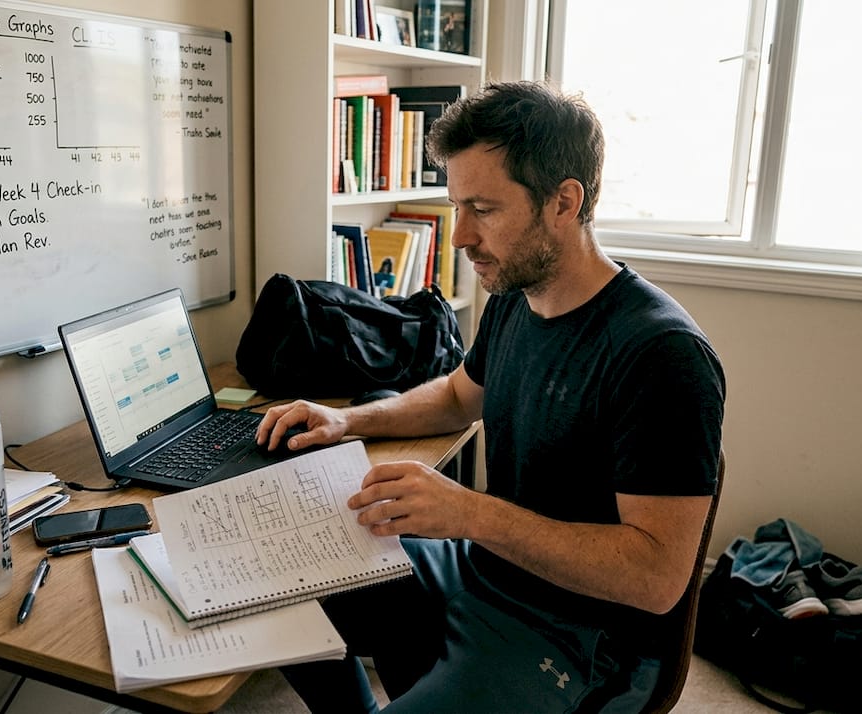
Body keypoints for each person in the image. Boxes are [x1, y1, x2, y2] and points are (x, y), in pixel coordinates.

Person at [256, 80, 725, 713]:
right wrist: (346, 422)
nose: (459, 236)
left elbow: (656, 577)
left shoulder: (662, 357)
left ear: (564, 202)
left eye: (484, 208)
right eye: (456, 206)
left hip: (583, 639)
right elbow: (457, 397)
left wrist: (471, 513)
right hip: (486, 574)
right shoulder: (515, 296)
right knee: (288, 568)